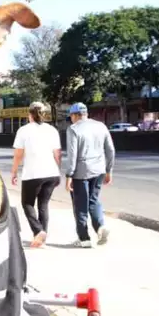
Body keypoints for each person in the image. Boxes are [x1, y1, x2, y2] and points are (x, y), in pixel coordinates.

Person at [64, 102, 116, 248]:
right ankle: (100, 227)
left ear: (74, 115)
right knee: (93, 200)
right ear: (86, 113)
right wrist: (109, 170)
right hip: (99, 170)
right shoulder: (101, 126)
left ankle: (84, 238)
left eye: (71, 116)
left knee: (80, 205)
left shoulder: (73, 129)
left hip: (81, 172)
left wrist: (69, 175)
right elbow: (110, 150)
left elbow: (72, 155)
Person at [11, 102, 62, 248]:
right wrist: (57, 172)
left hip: (33, 174)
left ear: (30, 114)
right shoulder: (52, 130)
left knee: (27, 203)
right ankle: (41, 239)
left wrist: (14, 171)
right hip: (51, 173)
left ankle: (38, 231)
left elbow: (18, 154)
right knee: (43, 205)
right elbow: (57, 154)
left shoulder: (24, 130)